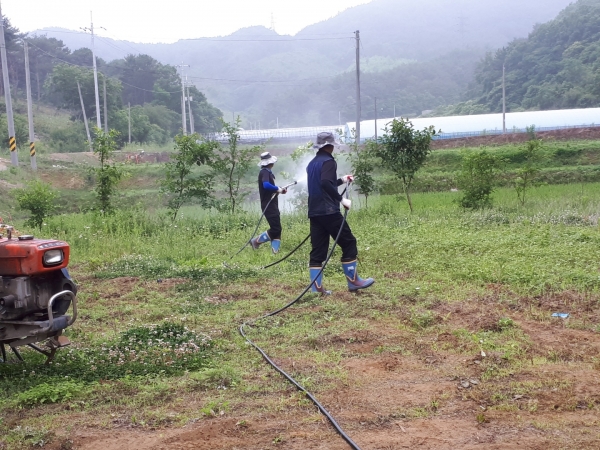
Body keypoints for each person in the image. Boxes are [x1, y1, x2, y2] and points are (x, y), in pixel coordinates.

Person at [306, 132, 375, 294]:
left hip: (315, 212)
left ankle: (316, 290)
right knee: (349, 242)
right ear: (330, 146)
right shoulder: (329, 161)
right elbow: (324, 183)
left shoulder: (311, 164)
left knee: (318, 250)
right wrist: (341, 200)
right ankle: (354, 282)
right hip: (329, 211)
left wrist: (342, 180)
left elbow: (325, 183)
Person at [251, 152, 287, 254]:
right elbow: (266, 186)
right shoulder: (265, 172)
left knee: (277, 228)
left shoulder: (266, 172)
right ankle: (256, 241)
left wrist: (279, 190)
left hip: (272, 204)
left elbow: (268, 189)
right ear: (270, 163)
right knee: (276, 229)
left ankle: (274, 252)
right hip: (268, 205)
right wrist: (277, 189)